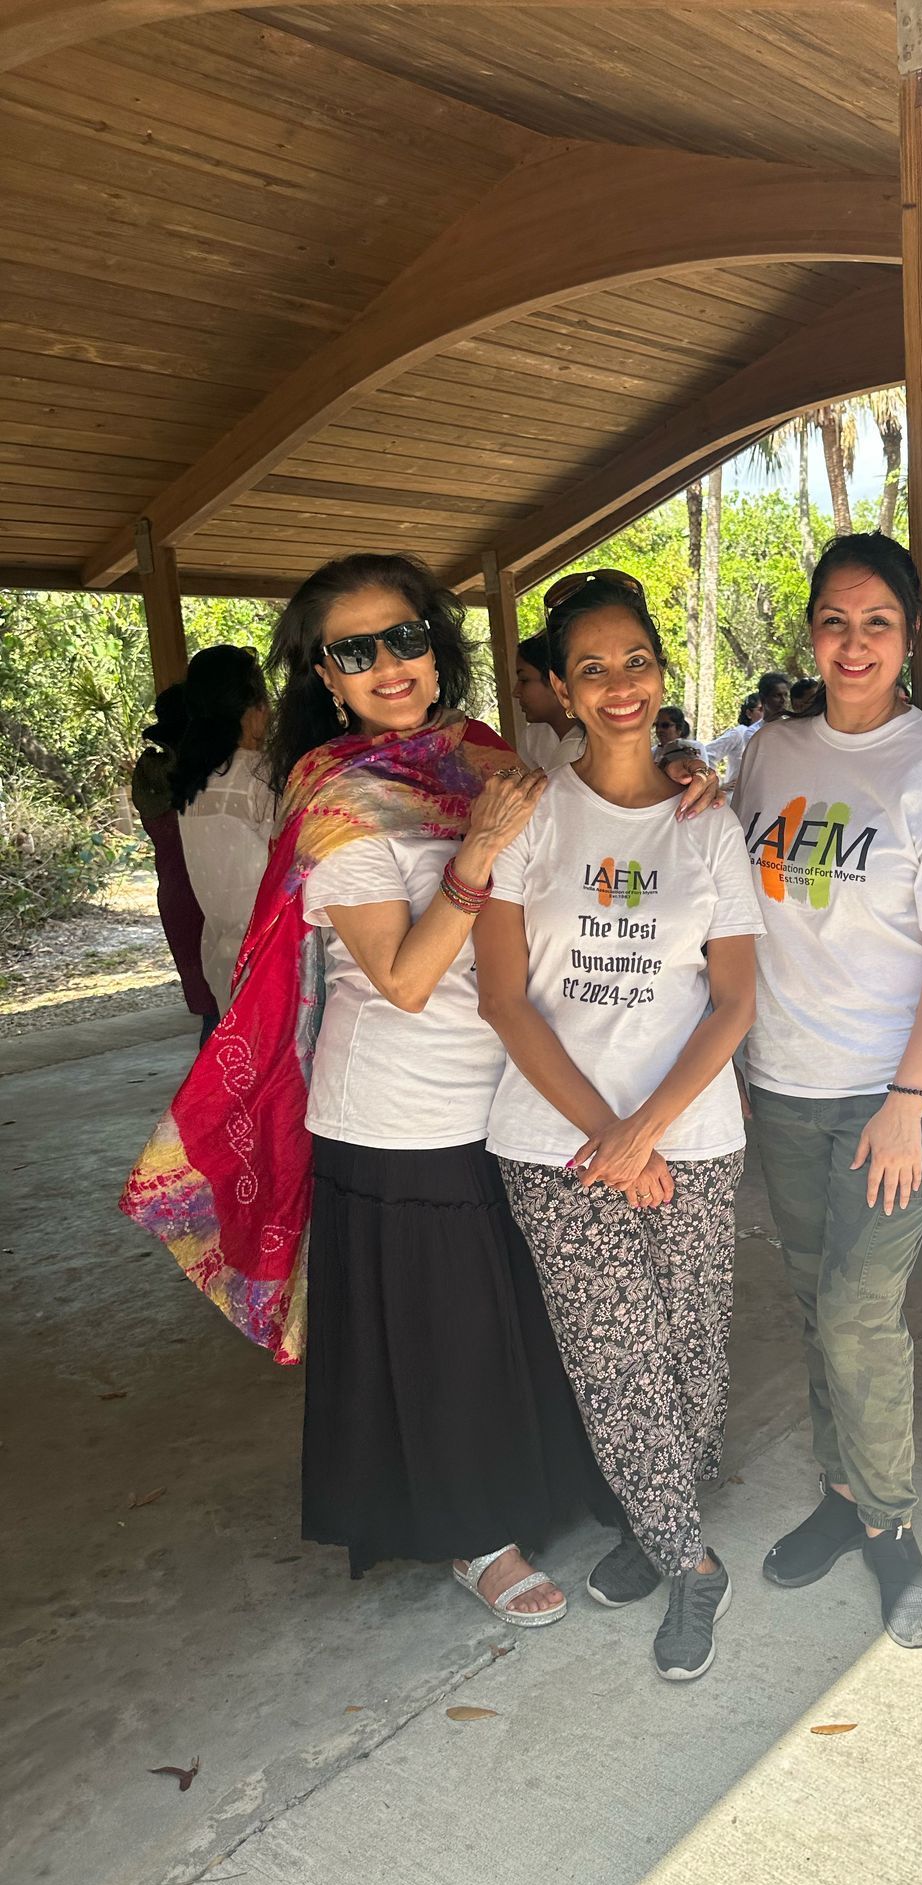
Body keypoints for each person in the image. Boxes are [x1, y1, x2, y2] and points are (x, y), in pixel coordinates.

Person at [123, 552, 652, 1620]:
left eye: (404, 636)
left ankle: (548, 1480)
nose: (387, 663)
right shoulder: (336, 797)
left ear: (436, 642)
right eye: (354, 650)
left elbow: (589, 827)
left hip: (513, 1086)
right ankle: (474, 1533)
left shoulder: (478, 754)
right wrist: (483, 850)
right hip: (401, 1112)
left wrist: (667, 782)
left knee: (529, 1309)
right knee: (447, 1333)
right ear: (324, 673)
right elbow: (406, 977)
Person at [476, 569, 761, 1683]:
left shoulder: (707, 820)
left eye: (634, 660)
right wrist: (611, 1138)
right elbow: (505, 998)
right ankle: (691, 1561)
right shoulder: (527, 813)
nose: (618, 684)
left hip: (691, 1129)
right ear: (558, 687)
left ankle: (657, 1522)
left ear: (660, 669)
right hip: (556, 1141)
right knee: (615, 1360)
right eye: (589, 667)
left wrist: (649, 1130)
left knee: (690, 1353)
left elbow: (733, 997)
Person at [733, 532, 922, 1649]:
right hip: (782, 1084)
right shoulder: (766, 752)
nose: (853, 643)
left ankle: (889, 1528)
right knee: (810, 1299)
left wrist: (906, 1097)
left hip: (895, 1096)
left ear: (910, 638)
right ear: (811, 634)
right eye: (834, 621)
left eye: (876, 623)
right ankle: (843, 1499)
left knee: (856, 1308)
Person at [171, 645, 277, 1015]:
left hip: (222, 956)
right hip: (274, 958)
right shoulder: (262, 777)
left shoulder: (193, 784)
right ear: (254, 707)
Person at [130, 683, 219, 1041]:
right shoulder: (211, 777)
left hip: (178, 897)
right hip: (212, 897)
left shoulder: (150, 773)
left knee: (212, 1012)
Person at [514, 629, 585, 774]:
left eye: (524, 680)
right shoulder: (533, 738)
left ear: (557, 683)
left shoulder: (592, 745)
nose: (515, 692)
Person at [704, 692, 763, 785]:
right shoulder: (739, 733)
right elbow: (706, 754)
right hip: (737, 796)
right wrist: (717, 785)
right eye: (761, 709)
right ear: (749, 713)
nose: (766, 713)